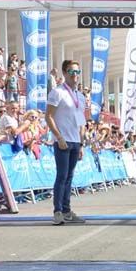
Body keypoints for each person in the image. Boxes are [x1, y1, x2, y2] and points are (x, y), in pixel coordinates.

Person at [46, 59, 87, 225]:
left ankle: (67, 210)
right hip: (63, 140)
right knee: (61, 176)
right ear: (64, 73)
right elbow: (48, 116)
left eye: (77, 72)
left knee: (69, 177)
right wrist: (59, 137)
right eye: (71, 71)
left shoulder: (81, 96)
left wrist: (82, 143)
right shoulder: (57, 92)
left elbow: (82, 121)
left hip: (76, 141)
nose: (75, 75)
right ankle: (57, 211)